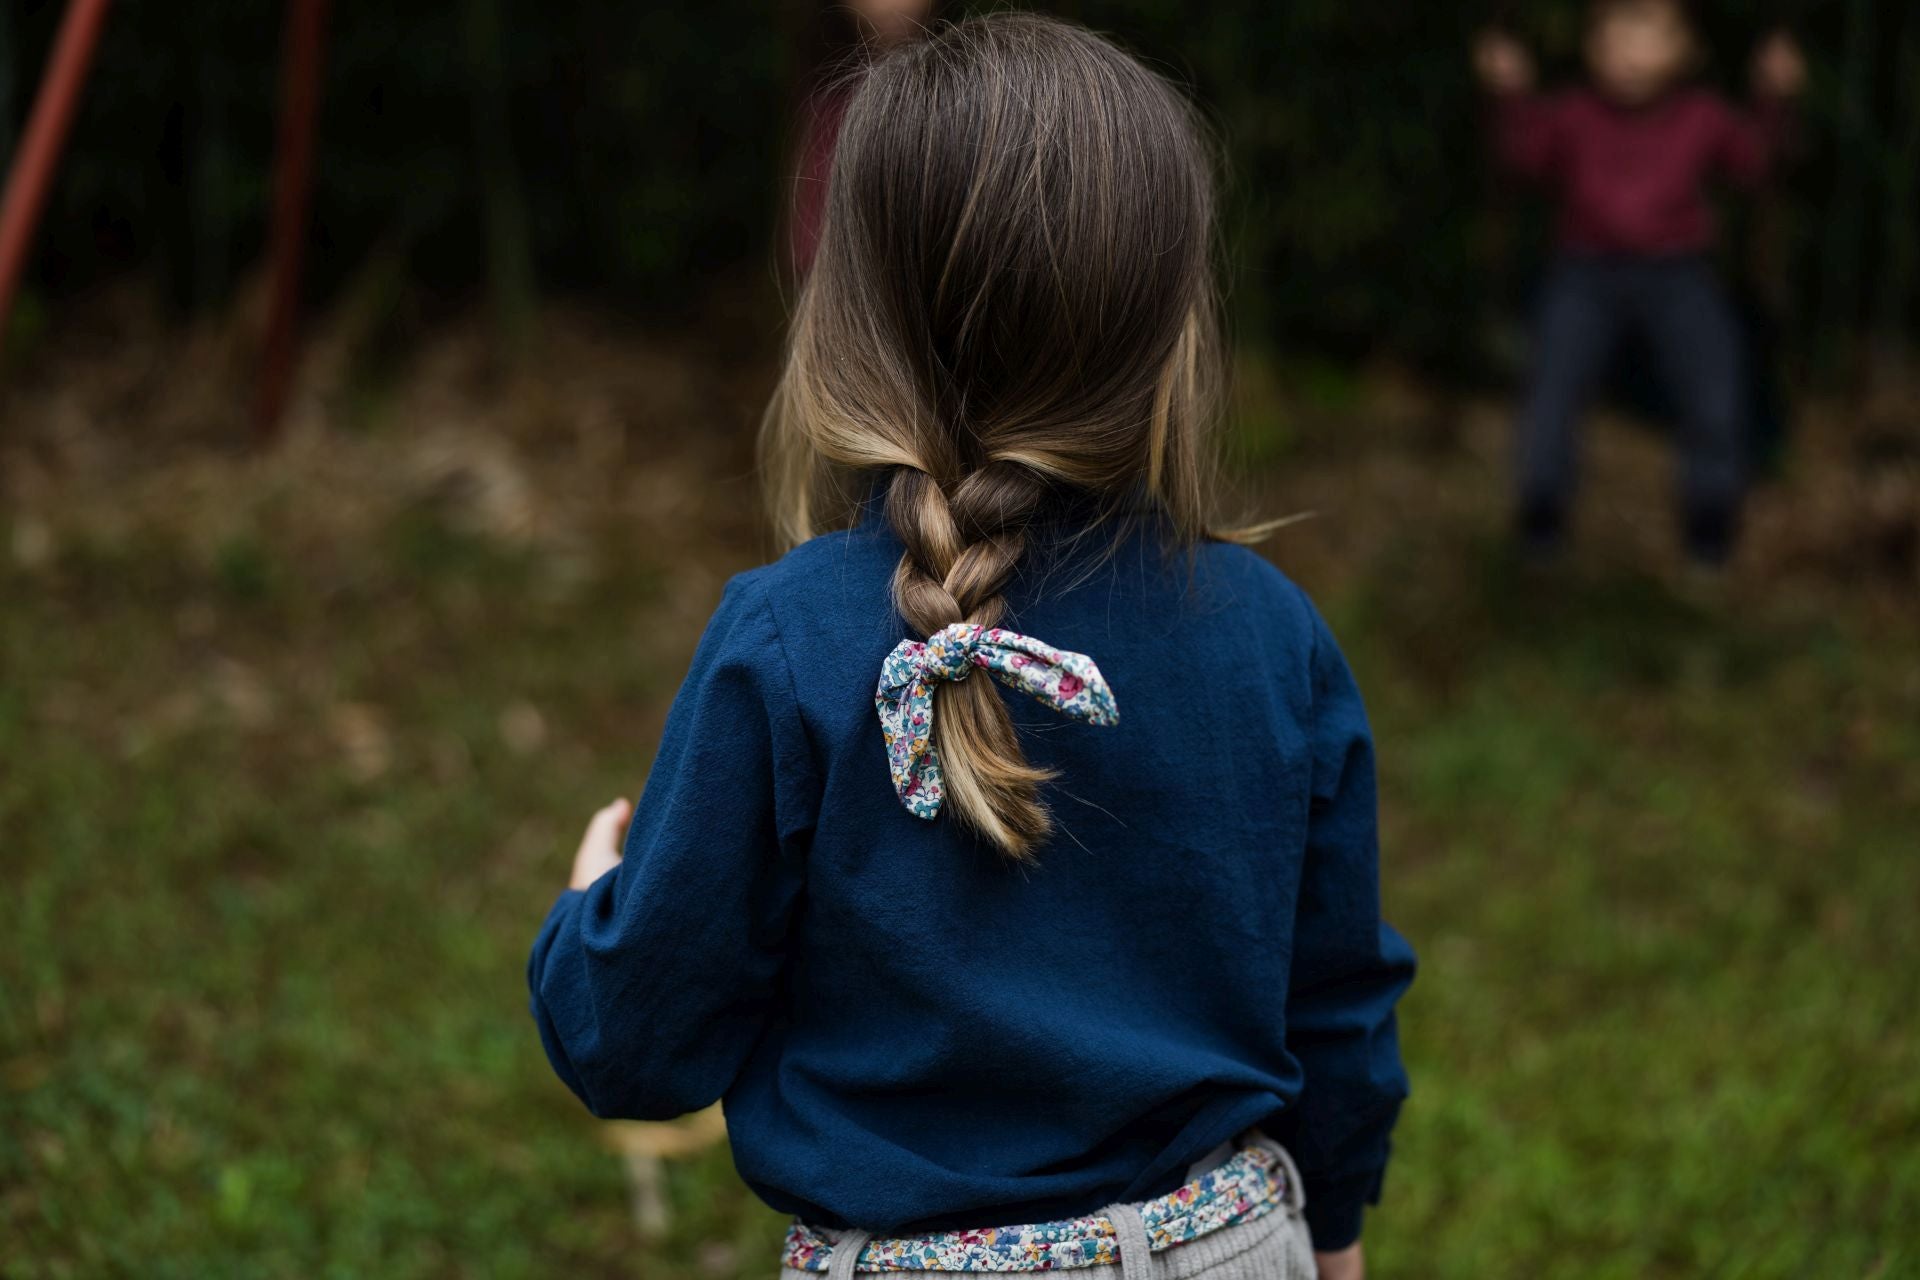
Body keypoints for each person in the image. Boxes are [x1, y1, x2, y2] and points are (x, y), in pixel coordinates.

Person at [530, 15, 1413, 1280]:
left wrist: (588, 910)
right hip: (1231, 1244)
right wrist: (1333, 1238)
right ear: (1167, 323)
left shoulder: (787, 643)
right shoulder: (1270, 632)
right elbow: (1337, 997)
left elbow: (637, 1037)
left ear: (854, 313)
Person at [1473, 0, 1806, 565]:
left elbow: (1756, 165)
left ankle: (1710, 519)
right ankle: (1541, 515)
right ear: (1591, 47)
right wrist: (1509, 94)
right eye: (1614, 36)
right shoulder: (1573, 113)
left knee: (1715, 375)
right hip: (1585, 270)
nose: (1629, 52)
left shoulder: (1702, 116)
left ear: (1686, 50)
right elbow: (1519, 161)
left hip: (1677, 272)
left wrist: (1775, 98)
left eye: (1648, 36)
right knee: (1553, 378)